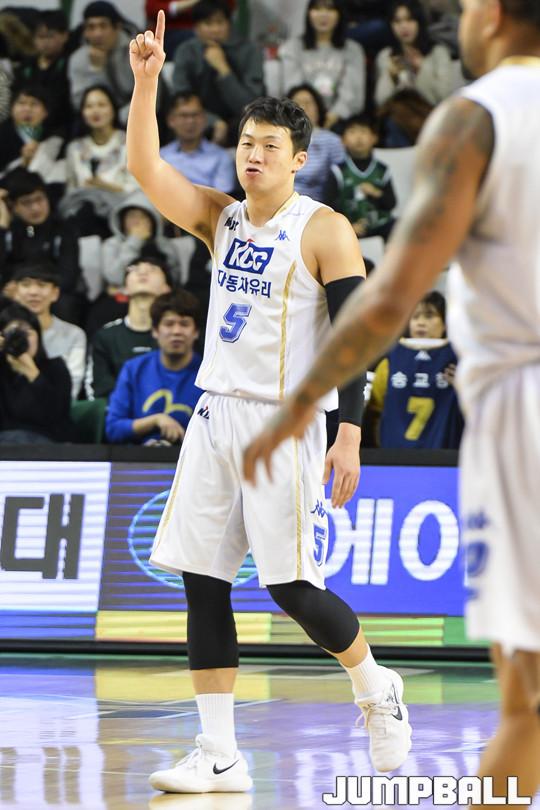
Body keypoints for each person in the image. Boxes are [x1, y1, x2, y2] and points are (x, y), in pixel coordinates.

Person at [243, 2, 540, 807]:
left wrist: (302, 402)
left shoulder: (478, 116)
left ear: (497, 14)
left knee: (526, 694)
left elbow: (389, 298)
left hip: (522, 406)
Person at [128, 11, 411, 794]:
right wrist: (147, 83)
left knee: (289, 588)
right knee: (202, 580)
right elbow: (146, 167)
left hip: (285, 422)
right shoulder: (219, 216)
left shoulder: (326, 230)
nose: (253, 155)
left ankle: (375, 687)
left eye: (269, 147)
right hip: (215, 413)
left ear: (299, 159)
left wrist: (348, 434)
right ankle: (219, 753)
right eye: (247, 143)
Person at [364, 290, 463, 448]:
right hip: (394, 456)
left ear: (445, 323)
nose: (420, 322)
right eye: (415, 316)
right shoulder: (390, 361)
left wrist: (464, 388)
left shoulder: (460, 360)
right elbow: (374, 413)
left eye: (429, 316)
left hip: (445, 456)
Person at [105, 289, 203, 444]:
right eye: (169, 324)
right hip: (138, 455)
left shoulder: (208, 375)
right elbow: (113, 429)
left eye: (184, 324)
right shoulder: (133, 369)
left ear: (196, 332)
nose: (176, 331)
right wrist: (156, 420)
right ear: (155, 331)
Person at [171, 0, 264, 145]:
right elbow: (181, 98)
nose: (215, 29)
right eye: (208, 23)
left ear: (229, 24)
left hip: (241, 124)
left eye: (220, 23)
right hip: (199, 123)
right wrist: (212, 121)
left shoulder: (250, 50)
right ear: (196, 27)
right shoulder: (186, 51)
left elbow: (251, 106)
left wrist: (223, 69)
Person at [0, 169, 84, 324]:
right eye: (26, 202)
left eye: (39, 199)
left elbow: (69, 276)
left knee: (66, 304)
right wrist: (2, 227)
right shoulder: (8, 231)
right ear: (13, 205)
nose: (35, 208)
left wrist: (37, 289)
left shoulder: (64, 230)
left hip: (51, 293)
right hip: (14, 293)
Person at [85, 255, 172, 399]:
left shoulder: (177, 334)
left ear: (167, 288)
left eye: (152, 269)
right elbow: (99, 390)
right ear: (125, 288)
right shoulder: (106, 336)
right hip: (118, 412)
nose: (142, 272)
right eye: (135, 269)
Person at [61, 84, 138, 235]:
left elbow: (137, 190)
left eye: (101, 105)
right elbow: (70, 191)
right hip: (84, 219)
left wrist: (105, 187)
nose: (95, 111)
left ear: (113, 109)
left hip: (122, 215)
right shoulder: (74, 148)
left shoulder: (130, 143)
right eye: (89, 106)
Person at [279, 0, 367, 130]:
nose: (323, 14)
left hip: (340, 121)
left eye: (330, 9)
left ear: (340, 14)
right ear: (309, 13)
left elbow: (353, 96)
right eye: (317, 8)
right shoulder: (292, 48)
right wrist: (310, 115)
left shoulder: (353, 50)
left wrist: (333, 116)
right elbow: (293, 89)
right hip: (299, 119)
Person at [0, 301, 72, 444]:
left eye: (27, 333)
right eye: (12, 334)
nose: (20, 339)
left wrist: (33, 373)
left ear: (38, 335)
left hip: (48, 442)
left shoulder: (56, 368)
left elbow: (57, 415)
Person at [13, 261, 87, 400]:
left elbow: (71, 389)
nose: (33, 292)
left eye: (42, 285)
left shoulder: (74, 334)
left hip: (54, 408)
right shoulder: (5, 334)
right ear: (15, 292)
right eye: (26, 285)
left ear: (55, 293)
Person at [374, 0, 462, 108]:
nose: (404, 26)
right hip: (399, 114)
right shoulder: (385, 55)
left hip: (432, 113)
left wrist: (422, 68)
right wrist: (391, 76)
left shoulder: (438, 52)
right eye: (397, 21)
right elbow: (380, 101)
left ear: (419, 22)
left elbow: (444, 98)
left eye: (409, 19)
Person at [324, 113, 396, 240]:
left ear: (374, 138)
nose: (358, 137)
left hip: (380, 225)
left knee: (399, 227)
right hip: (351, 228)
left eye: (363, 131)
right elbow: (329, 206)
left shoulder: (382, 170)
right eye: (352, 132)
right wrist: (349, 226)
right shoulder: (338, 171)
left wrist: (375, 192)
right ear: (343, 140)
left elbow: (391, 203)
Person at [68, 1, 135, 124]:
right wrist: (97, 70)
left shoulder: (136, 50)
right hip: (98, 122)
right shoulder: (78, 58)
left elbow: (151, 96)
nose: (97, 34)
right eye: (91, 27)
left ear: (117, 27)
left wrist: (118, 120)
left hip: (136, 118)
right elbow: (79, 102)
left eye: (103, 26)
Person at [160, 92, 236, 193]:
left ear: (205, 118)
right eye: (183, 115)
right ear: (171, 120)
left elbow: (222, 197)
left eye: (195, 115)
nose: (190, 121)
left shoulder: (221, 157)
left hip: (208, 203)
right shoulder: (161, 157)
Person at [12, 10, 72, 133]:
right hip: (22, 124)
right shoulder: (27, 65)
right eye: (40, 37)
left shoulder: (70, 64)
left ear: (65, 36)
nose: (45, 42)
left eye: (50, 36)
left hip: (58, 126)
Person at [287, 83, 346, 202]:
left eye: (308, 103)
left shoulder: (332, 141)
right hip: (279, 205)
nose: (303, 107)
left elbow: (341, 180)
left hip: (317, 205)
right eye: (298, 103)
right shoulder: (279, 139)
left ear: (318, 107)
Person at [0, 84, 64, 182]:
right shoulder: (3, 135)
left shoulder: (55, 137)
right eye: (21, 103)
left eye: (34, 104)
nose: (27, 109)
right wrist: (24, 162)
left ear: (46, 112)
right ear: (12, 109)